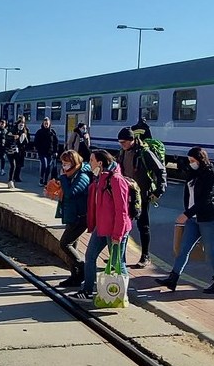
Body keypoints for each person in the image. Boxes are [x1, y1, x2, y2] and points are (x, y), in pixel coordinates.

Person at [156, 147, 214, 294]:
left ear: (201, 160)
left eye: (193, 161)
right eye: (189, 161)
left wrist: (187, 214)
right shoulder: (193, 173)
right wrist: (189, 214)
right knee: (183, 249)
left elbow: (205, 200)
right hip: (194, 219)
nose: (191, 164)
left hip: (209, 218)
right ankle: (173, 278)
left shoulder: (213, 176)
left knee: (211, 250)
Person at [75, 149, 133, 300]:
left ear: (100, 163)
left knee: (117, 263)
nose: (89, 163)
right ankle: (87, 291)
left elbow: (122, 211)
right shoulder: (100, 178)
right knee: (90, 256)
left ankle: (121, 294)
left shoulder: (116, 180)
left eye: (92, 160)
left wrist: (118, 235)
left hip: (115, 229)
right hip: (102, 227)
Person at [117, 126, 167, 267]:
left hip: (141, 194)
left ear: (132, 140)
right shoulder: (122, 152)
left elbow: (160, 170)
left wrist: (159, 190)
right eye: (120, 142)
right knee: (123, 225)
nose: (122, 145)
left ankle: (145, 256)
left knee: (143, 225)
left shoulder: (145, 153)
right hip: (125, 193)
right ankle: (120, 256)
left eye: (124, 142)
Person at [53, 150, 93, 288]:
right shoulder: (72, 175)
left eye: (66, 163)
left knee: (65, 244)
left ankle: (81, 269)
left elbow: (71, 193)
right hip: (72, 215)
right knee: (72, 245)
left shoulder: (82, 176)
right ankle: (74, 277)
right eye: (62, 163)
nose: (63, 166)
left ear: (74, 163)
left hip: (80, 217)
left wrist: (63, 179)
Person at [34, 117, 60, 185]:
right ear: (43, 123)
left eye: (47, 123)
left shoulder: (52, 132)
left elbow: (56, 142)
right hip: (42, 152)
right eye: (45, 123)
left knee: (48, 166)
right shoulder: (39, 132)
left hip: (50, 152)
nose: (46, 125)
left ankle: (46, 180)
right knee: (44, 165)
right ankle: (41, 178)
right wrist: (38, 149)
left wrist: (56, 151)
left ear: (49, 124)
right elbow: (36, 142)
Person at [5, 118, 29, 188]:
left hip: (18, 150)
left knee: (18, 165)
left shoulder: (24, 131)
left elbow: (26, 142)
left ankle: (15, 178)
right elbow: (7, 136)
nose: (22, 125)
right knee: (13, 165)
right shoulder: (12, 129)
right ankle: (10, 181)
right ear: (17, 124)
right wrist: (13, 137)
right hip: (10, 150)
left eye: (23, 123)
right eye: (20, 123)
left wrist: (25, 139)